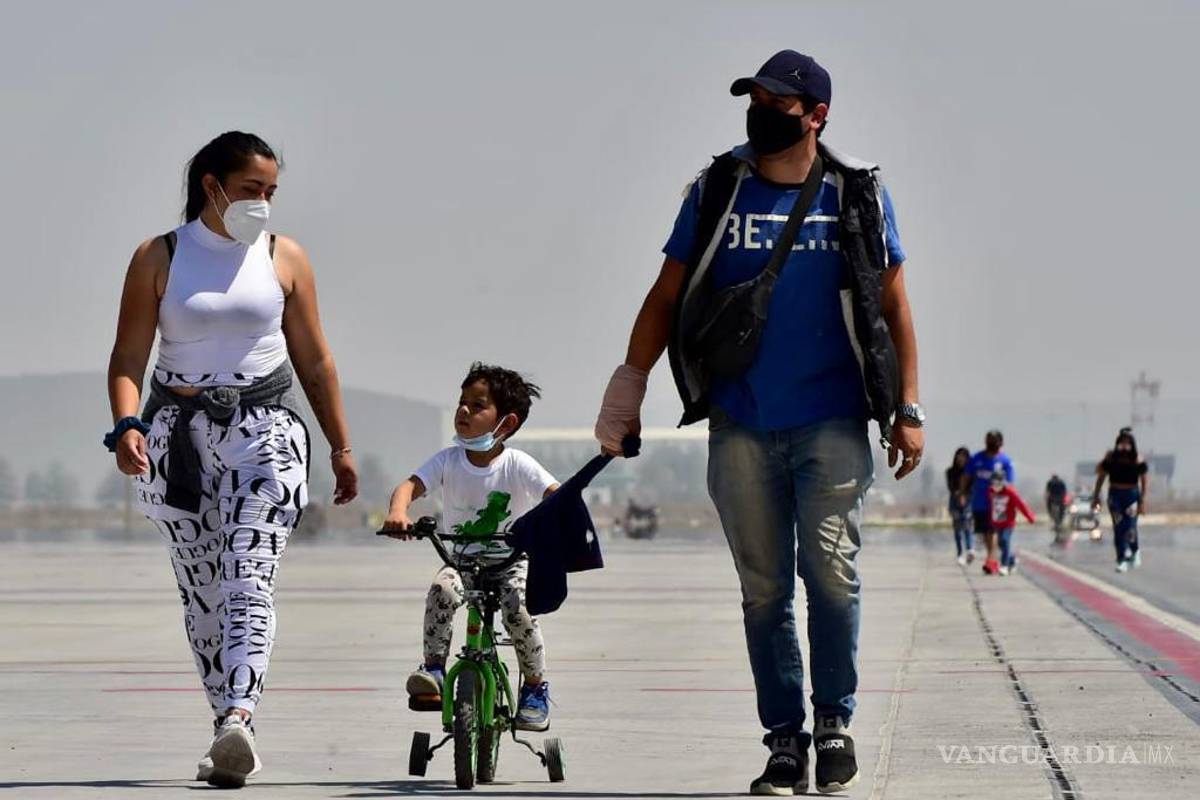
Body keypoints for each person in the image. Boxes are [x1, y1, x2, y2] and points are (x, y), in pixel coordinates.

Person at [593, 50, 923, 795]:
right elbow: (666, 293)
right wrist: (629, 386)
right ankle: (784, 741)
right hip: (740, 421)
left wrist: (908, 406)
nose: (761, 111)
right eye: (755, 98)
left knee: (831, 576)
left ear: (816, 115)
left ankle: (833, 721)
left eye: (778, 102)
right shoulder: (718, 189)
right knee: (764, 590)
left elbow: (894, 305)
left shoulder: (856, 194)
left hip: (834, 419)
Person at [106, 131, 358, 788]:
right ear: (211, 185)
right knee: (202, 595)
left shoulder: (285, 257)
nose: (264, 204)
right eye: (252, 190)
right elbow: (129, 357)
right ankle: (226, 726)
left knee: (249, 576)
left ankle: (241, 715)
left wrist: (340, 444)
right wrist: (127, 423)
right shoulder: (159, 256)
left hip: (266, 430)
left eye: (272, 192)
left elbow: (315, 360)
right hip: (174, 437)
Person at [382, 363, 560, 731]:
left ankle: (535, 688)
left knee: (518, 609)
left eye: (477, 406)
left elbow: (555, 495)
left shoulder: (518, 464)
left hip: (511, 561)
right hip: (460, 559)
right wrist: (399, 511)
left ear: (506, 423)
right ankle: (434, 668)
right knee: (441, 589)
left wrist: (558, 519)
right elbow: (408, 487)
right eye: (462, 402)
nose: (464, 410)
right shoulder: (447, 460)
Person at [1092, 428, 1149, 572]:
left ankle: (1135, 551)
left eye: (1127, 444)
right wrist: (1096, 496)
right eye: (1121, 443)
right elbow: (1101, 477)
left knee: (1130, 526)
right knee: (1118, 527)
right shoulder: (1111, 458)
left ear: (1132, 445)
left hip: (1131, 495)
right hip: (1115, 495)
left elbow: (1144, 479)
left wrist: (1142, 500)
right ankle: (1121, 558)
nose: (1124, 447)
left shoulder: (1137, 459)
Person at [960, 430, 1013, 576]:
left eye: (995, 440)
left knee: (993, 532)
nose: (992, 443)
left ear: (1001, 443)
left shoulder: (1005, 461)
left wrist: (1010, 502)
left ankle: (991, 560)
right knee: (985, 533)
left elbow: (1010, 484)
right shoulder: (977, 459)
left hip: (997, 504)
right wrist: (962, 493)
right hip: (979, 503)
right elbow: (966, 476)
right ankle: (995, 559)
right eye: (990, 440)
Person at [986, 468, 1035, 576]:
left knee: (1005, 540)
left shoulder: (1010, 492)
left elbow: (1021, 505)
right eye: (993, 483)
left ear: (1003, 482)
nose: (996, 486)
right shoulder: (990, 491)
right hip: (997, 522)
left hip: (1008, 523)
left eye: (998, 483)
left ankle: (1004, 566)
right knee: (1000, 544)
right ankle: (1012, 560)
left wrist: (1030, 517)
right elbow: (991, 506)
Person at [946, 447, 974, 565]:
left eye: (963, 456)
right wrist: (959, 495)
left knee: (967, 526)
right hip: (954, 501)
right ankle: (960, 553)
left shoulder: (971, 472)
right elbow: (951, 487)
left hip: (968, 501)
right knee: (957, 529)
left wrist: (965, 495)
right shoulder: (950, 472)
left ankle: (969, 550)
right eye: (959, 456)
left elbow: (973, 486)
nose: (961, 459)